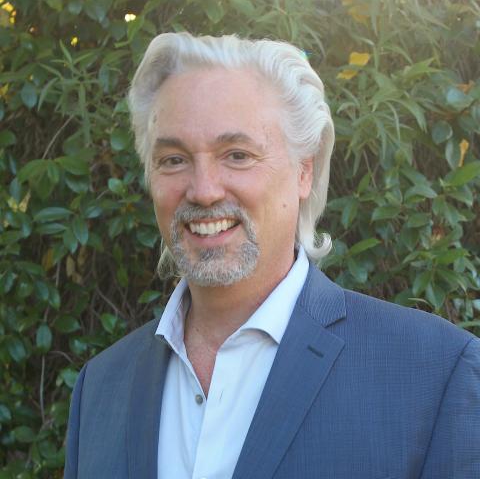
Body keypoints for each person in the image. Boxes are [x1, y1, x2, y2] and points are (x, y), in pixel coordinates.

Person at [64, 33, 480, 479]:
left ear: (305, 170)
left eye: (237, 155)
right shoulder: (100, 389)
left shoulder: (433, 374)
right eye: (173, 159)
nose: (204, 190)